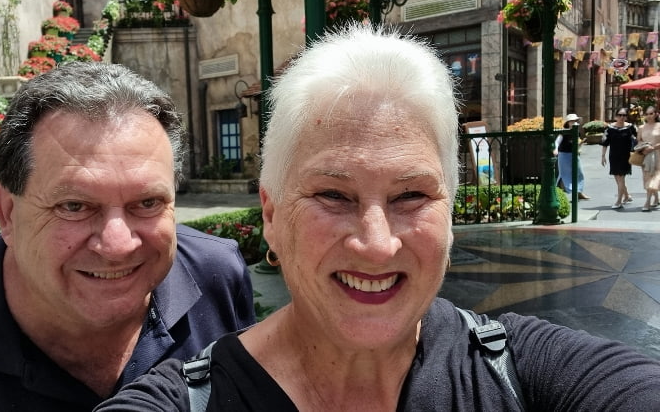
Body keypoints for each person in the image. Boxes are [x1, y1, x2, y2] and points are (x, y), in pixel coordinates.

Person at [94, 26, 660, 412]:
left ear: (451, 208)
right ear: (271, 213)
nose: (376, 244)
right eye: (333, 196)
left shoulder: (526, 375)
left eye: (411, 195)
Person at [0, 62, 256, 411]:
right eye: (74, 206)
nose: (118, 245)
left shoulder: (218, 276)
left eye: (148, 202)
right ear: (6, 212)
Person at [601, 107, 638, 209]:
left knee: (621, 178)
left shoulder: (631, 127)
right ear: (616, 116)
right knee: (617, 178)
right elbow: (605, 143)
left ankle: (619, 201)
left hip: (626, 156)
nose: (622, 117)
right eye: (620, 115)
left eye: (624, 115)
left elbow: (639, 138)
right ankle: (626, 196)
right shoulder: (610, 128)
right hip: (614, 156)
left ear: (626, 117)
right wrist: (603, 156)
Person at [553, 114, 590, 200]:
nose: (574, 123)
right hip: (564, 155)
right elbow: (557, 141)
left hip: (574, 154)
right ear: (568, 123)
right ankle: (568, 192)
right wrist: (556, 149)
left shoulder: (577, 132)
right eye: (572, 121)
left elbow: (576, 145)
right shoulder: (564, 131)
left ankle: (579, 192)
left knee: (579, 172)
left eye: (575, 121)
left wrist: (580, 144)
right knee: (565, 174)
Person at [638, 106, 660, 211]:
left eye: (651, 113)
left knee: (655, 177)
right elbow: (639, 141)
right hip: (646, 155)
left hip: (658, 155)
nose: (649, 116)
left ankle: (647, 201)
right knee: (647, 177)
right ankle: (656, 197)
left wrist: (654, 147)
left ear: (656, 114)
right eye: (647, 114)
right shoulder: (642, 127)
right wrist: (643, 148)